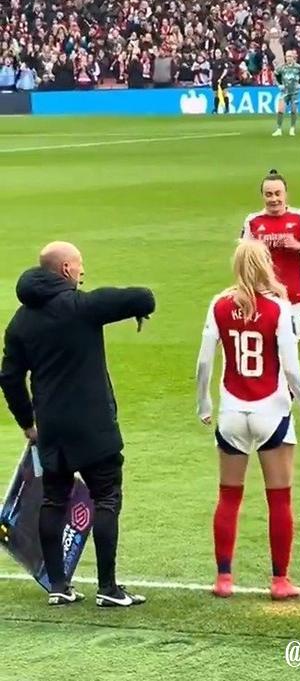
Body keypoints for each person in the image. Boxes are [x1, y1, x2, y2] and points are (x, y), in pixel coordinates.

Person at [0, 242, 155, 609]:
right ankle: (108, 588)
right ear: (66, 269)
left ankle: (58, 585)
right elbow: (143, 297)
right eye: (79, 265)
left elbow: (9, 377)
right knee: (107, 498)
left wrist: (27, 422)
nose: (83, 272)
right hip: (93, 425)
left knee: (53, 499)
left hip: (51, 427)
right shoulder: (81, 307)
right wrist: (140, 310)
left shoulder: (20, 321)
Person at [196, 240, 300, 600]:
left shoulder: (219, 304)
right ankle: (280, 580)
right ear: (267, 265)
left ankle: (224, 578)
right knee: (279, 499)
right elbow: (291, 367)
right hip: (272, 411)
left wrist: (204, 402)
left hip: (232, 412)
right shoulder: (279, 307)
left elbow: (204, 361)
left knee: (228, 496)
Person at [241, 169, 300, 342]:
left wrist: (299, 246)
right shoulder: (253, 221)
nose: (274, 199)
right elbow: (243, 259)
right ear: (262, 196)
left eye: (278, 193)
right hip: (263, 297)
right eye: (269, 194)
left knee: (295, 347)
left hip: (295, 296)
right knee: (266, 347)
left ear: (286, 194)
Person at [272, 50, 300, 137]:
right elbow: (274, 75)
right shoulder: (282, 67)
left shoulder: (298, 67)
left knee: (293, 111)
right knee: (280, 110)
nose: (288, 58)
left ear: (293, 57)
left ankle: (292, 128)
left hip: (295, 92)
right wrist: (278, 85)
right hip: (285, 92)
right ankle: (279, 129)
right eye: (287, 56)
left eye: (290, 56)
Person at [211, 48, 230, 115]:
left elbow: (225, 70)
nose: (217, 54)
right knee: (216, 94)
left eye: (218, 52)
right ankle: (216, 109)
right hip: (214, 80)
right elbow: (211, 71)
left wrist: (221, 78)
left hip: (223, 80)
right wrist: (211, 79)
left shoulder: (223, 61)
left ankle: (227, 108)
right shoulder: (213, 61)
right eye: (216, 52)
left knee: (224, 93)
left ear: (221, 53)